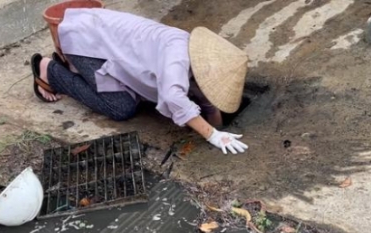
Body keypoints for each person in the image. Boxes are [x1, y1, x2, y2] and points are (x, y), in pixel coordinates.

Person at [31, 8, 249, 155]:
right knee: (121, 107)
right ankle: (50, 71)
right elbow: (173, 97)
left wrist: (220, 124)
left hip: (106, 39)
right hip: (87, 41)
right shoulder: (177, 61)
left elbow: (205, 99)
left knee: (139, 96)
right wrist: (213, 136)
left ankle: (71, 66)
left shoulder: (196, 54)